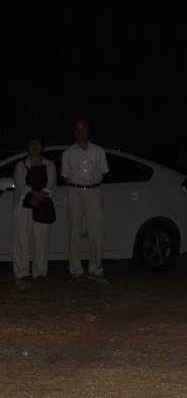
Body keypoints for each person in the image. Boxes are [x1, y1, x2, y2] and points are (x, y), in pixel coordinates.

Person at [61, 118, 110, 283]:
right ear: (73, 133)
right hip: (75, 191)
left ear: (89, 131)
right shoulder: (68, 153)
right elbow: (65, 175)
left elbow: (103, 171)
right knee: (74, 231)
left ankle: (95, 269)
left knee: (96, 232)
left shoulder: (98, 151)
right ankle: (75, 270)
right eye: (77, 129)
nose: (80, 132)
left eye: (83, 129)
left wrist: (92, 183)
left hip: (93, 191)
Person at [12, 134, 57, 289]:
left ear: (42, 146)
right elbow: (20, 184)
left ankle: (40, 272)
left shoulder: (49, 165)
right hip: (24, 207)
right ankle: (22, 273)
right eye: (31, 144)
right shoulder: (21, 165)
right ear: (27, 147)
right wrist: (33, 194)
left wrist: (39, 197)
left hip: (42, 208)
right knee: (21, 241)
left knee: (41, 240)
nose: (34, 146)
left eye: (37, 143)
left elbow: (51, 185)